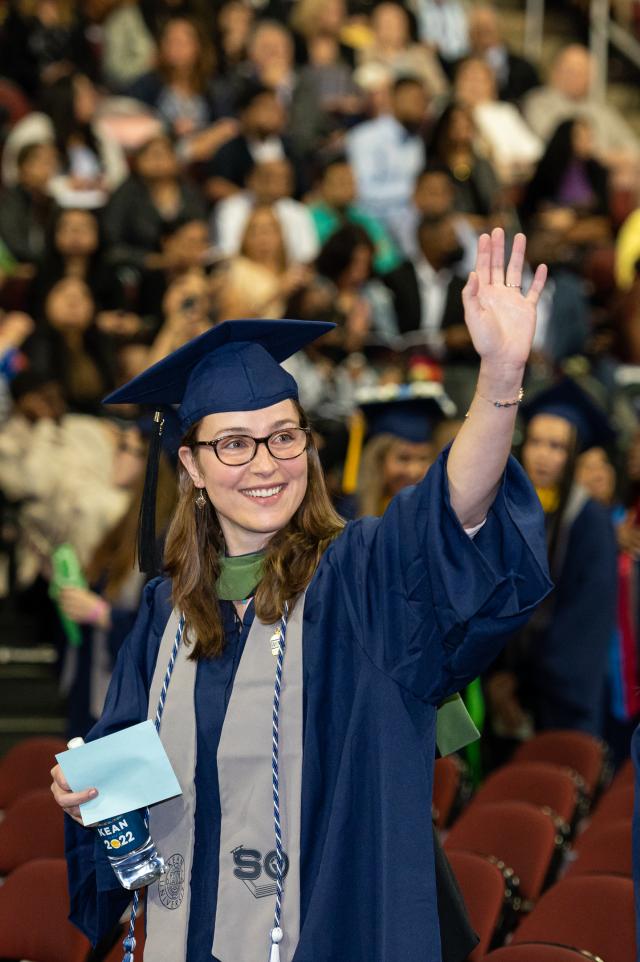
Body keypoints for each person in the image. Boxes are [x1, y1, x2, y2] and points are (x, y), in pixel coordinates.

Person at [52, 229, 551, 962]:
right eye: (234, 443)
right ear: (189, 464)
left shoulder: (360, 581)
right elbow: (124, 772)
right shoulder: (164, 614)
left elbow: (456, 511)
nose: (265, 463)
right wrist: (86, 795)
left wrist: (500, 378)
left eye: (283, 437)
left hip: (325, 935)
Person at [486, 378, 618, 740]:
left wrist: (522, 682)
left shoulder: (589, 520)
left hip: (558, 702)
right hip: (507, 689)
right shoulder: (509, 510)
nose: (543, 455)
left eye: (557, 446)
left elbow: (582, 625)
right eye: (537, 442)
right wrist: (495, 673)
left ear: (574, 455)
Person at [345, 75, 429, 243]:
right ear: (394, 99)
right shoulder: (364, 136)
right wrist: (413, 193)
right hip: (373, 225)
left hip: (411, 222)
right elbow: (362, 192)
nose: (421, 106)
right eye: (414, 99)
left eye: (424, 100)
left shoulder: (416, 142)